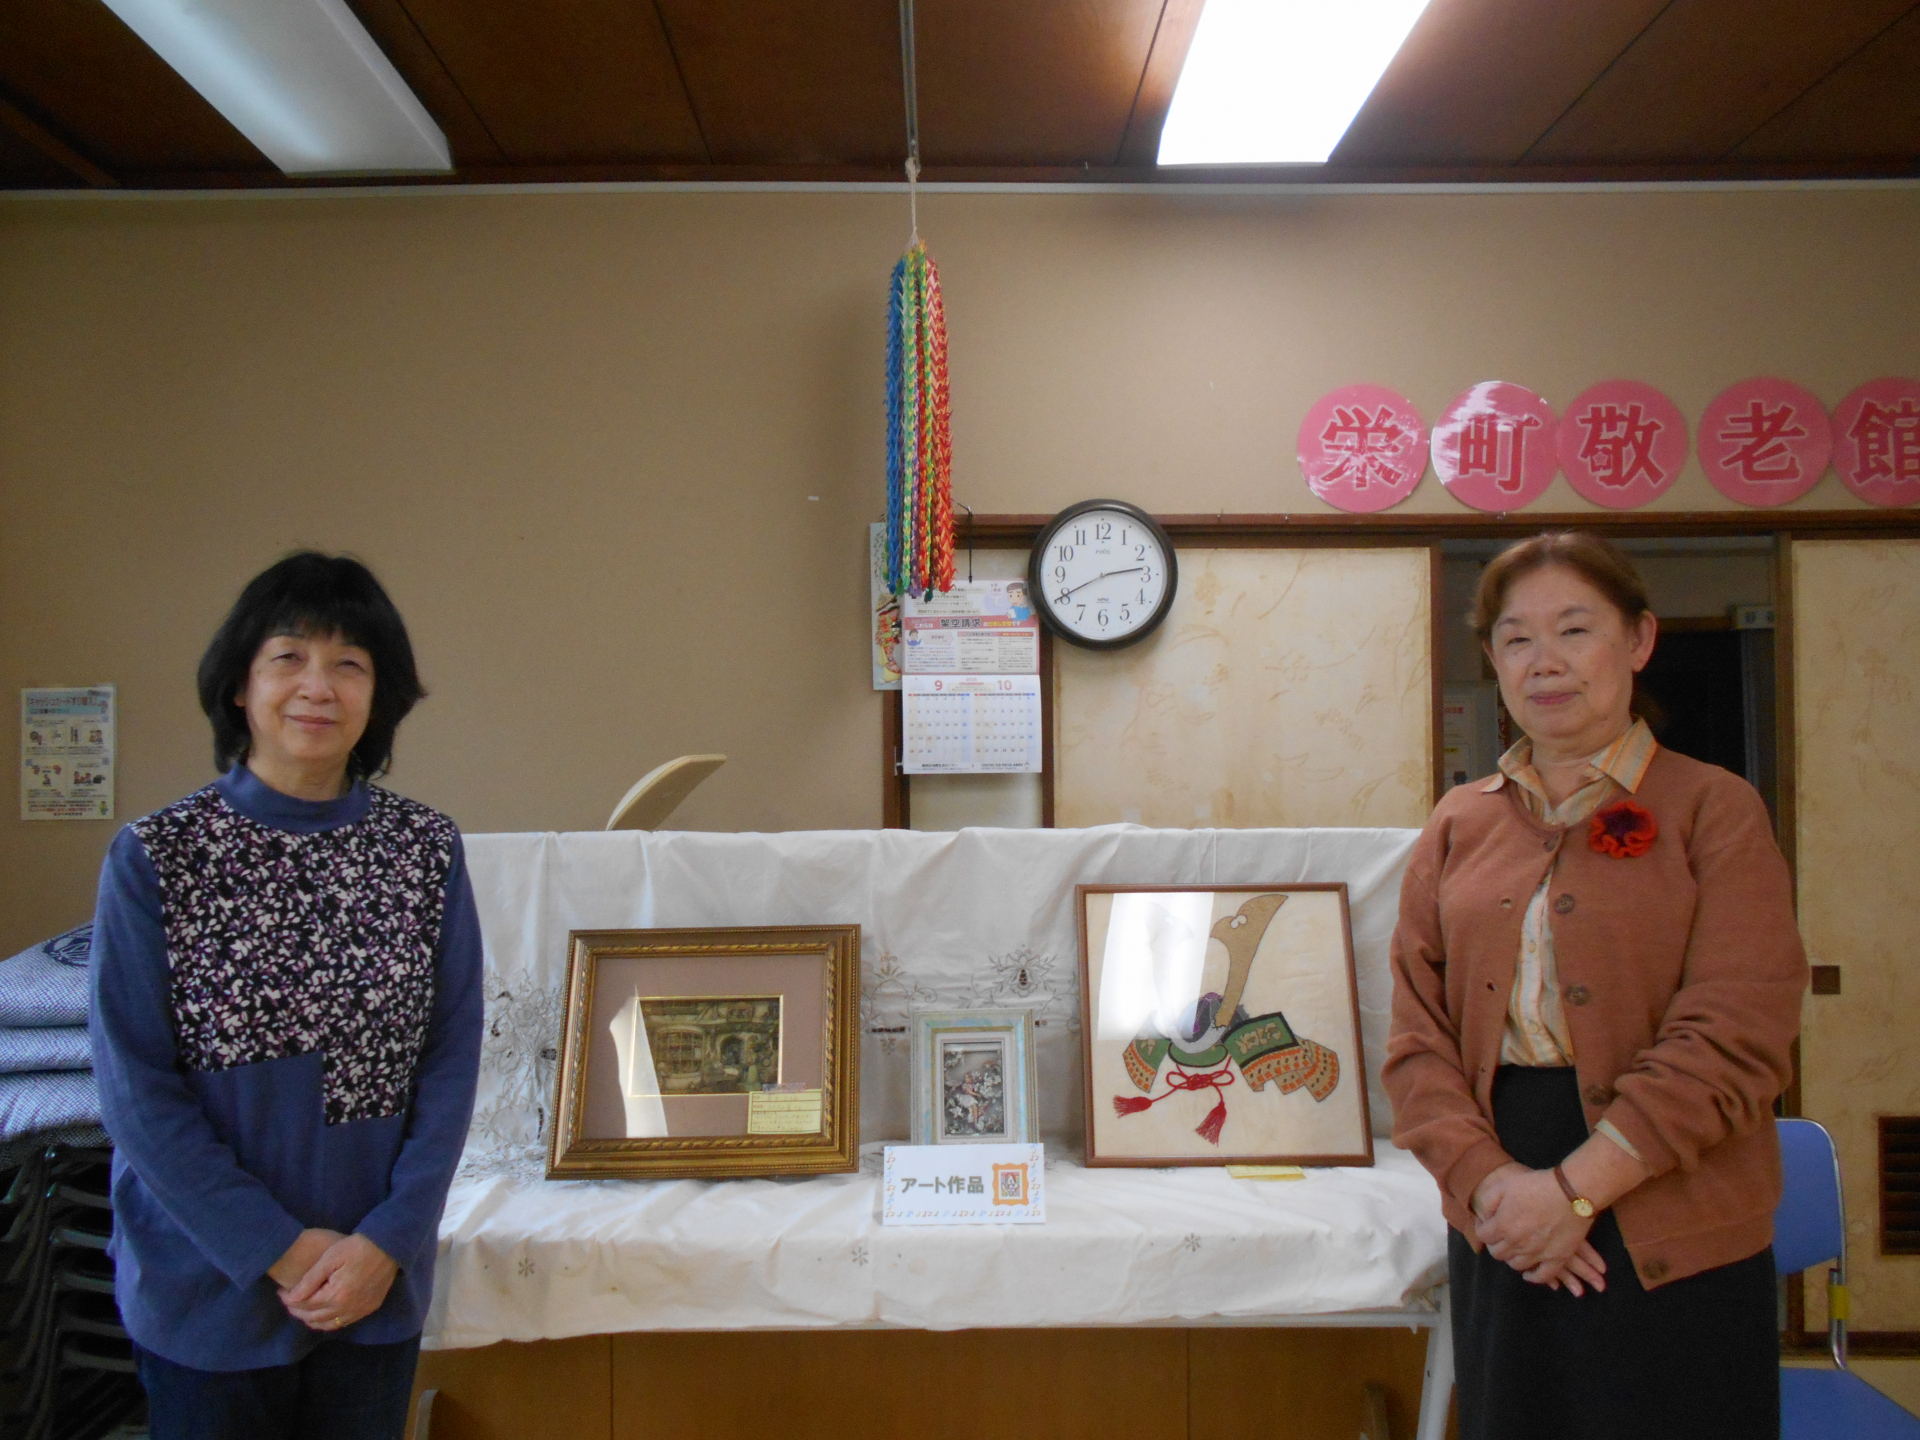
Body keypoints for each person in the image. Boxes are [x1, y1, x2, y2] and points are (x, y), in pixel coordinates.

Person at [1384, 532, 1805, 1440]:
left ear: (1639, 640)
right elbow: (1417, 1041)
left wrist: (1574, 1193)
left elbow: (1736, 1032)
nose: (1546, 662)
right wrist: (1494, 1190)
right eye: (1517, 639)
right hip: (1504, 1209)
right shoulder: (1458, 823)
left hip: (1670, 1188)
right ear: (1493, 659)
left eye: (1575, 630)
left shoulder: (1714, 808)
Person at [89, 553, 483, 1439]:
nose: (318, 686)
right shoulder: (159, 856)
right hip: (207, 1285)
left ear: (379, 695)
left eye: (350, 663)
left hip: (374, 1282)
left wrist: (388, 1241)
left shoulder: (424, 850)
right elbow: (135, 1089)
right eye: (289, 657)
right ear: (240, 684)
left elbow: (452, 1057)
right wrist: (277, 1247)